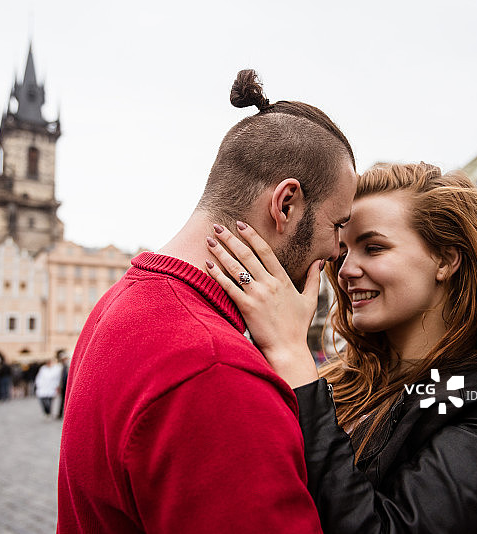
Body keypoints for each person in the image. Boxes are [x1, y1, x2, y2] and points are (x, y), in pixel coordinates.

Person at [205, 162, 477, 533]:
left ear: (446, 260)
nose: (346, 269)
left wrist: (292, 355)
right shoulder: (337, 381)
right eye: (343, 251)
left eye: (374, 247)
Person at [58, 69, 357, 533]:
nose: (339, 251)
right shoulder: (217, 371)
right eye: (338, 226)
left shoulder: (118, 303)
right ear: (286, 205)